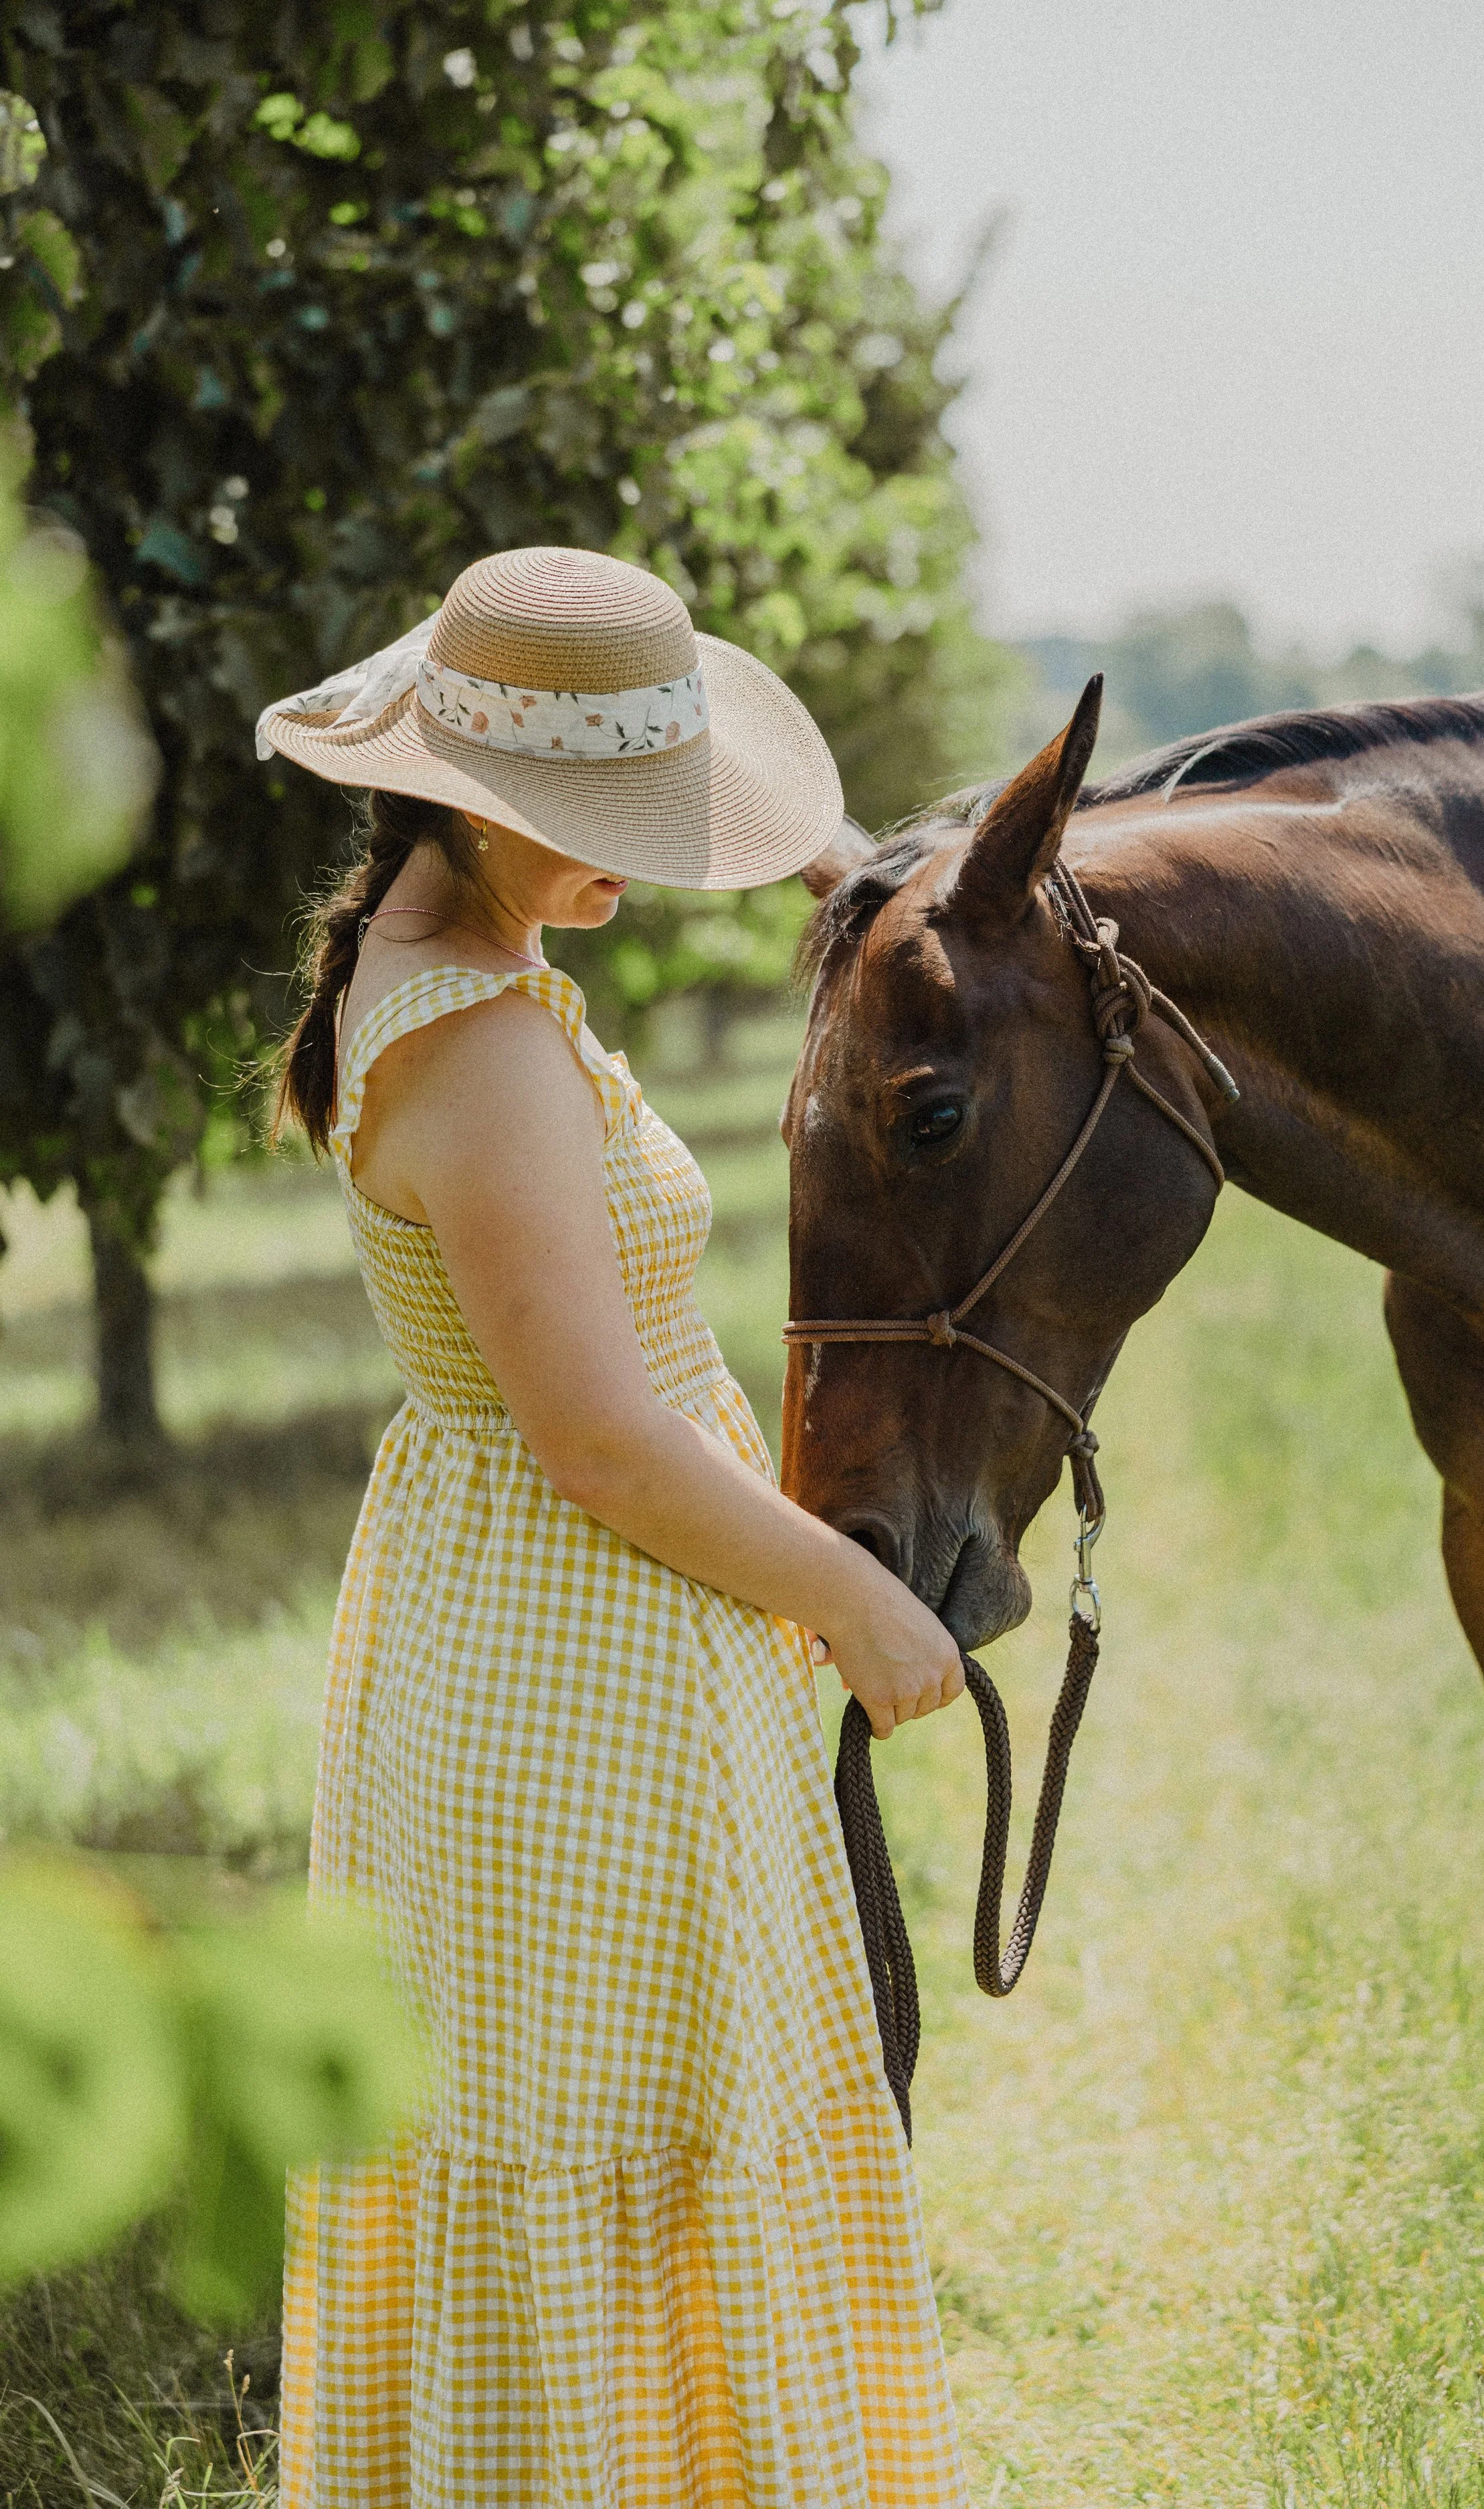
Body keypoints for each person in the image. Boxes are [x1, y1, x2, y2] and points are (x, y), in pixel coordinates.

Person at [260, 545, 969, 2509]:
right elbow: (596, 1438)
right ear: (466, 797)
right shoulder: (475, 1049)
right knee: (608, 2138)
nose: (634, 869)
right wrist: (849, 1597)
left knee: (622, 2129)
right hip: (580, 1644)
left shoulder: (461, 974)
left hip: (565, 1626)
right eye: (596, 830)